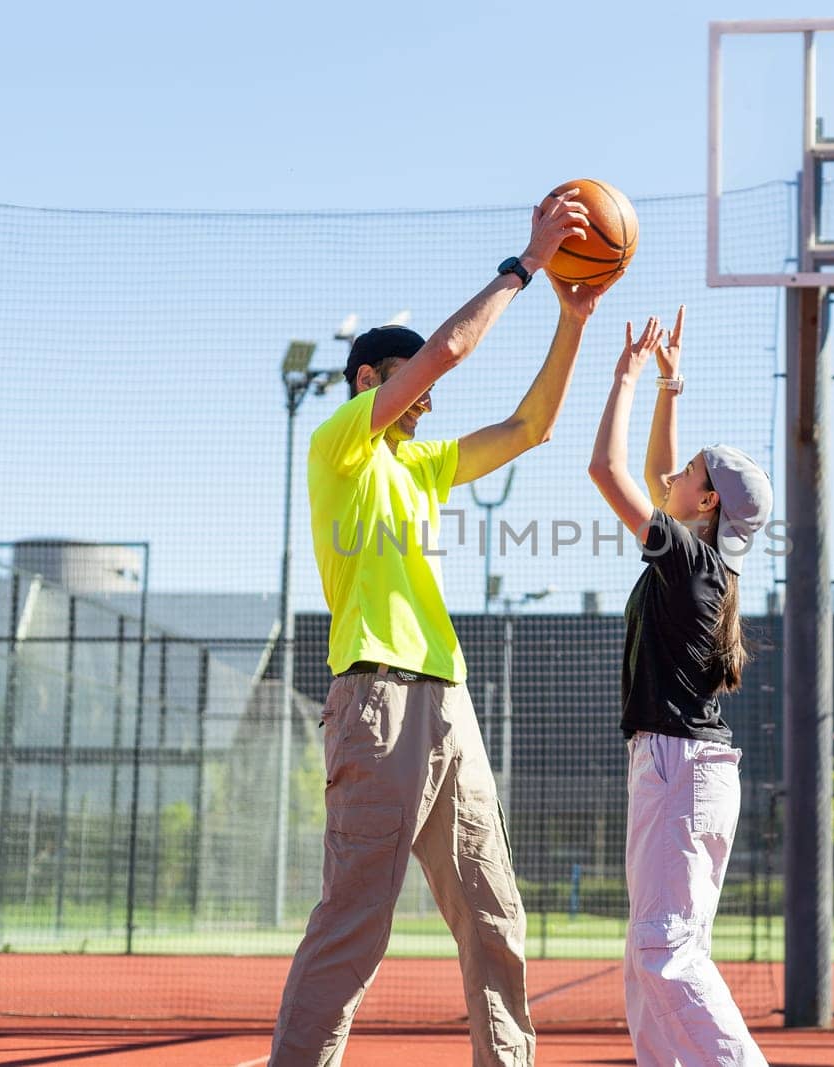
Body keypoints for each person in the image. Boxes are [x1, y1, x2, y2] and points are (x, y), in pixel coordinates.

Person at [270, 190, 612, 1067]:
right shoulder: (339, 444)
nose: (424, 404)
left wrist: (572, 319)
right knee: (354, 927)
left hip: (446, 703)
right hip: (377, 700)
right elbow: (452, 352)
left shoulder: (419, 467)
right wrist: (528, 264)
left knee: (496, 917)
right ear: (368, 383)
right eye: (408, 384)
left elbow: (532, 427)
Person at [587, 305, 774, 1066]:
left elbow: (608, 470)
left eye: (692, 471)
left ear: (705, 504)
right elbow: (666, 477)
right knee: (652, 956)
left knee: (663, 950)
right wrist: (670, 383)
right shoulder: (704, 563)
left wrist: (625, 378)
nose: (676, 475)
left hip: (678, 765)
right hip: (679, 766)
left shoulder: (690, 564)